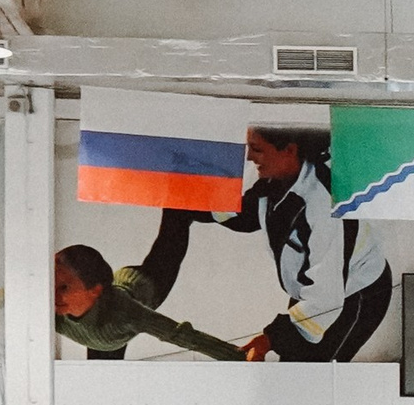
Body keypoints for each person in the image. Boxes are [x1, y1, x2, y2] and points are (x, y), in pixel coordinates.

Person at [214, 128, 393, 363]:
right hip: (315, 285)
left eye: (257, 149)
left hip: (355, 292)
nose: (249, 157)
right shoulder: (274, 176)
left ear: (289, 150)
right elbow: (245, 216)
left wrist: (269, 339)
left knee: (313, 375)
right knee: (293, 367)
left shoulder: (324, 204)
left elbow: (326, 298)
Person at [53, 211, 246, 360]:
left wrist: (240, 356)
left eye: (64, 289)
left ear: (94, 291)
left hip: (147, 283)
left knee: (177, 217)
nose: (52, 296)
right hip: (107, 333)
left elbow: (180, 335)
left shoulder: (127, 314)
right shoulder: (50, 307)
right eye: (52, 283)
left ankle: (193, 207)